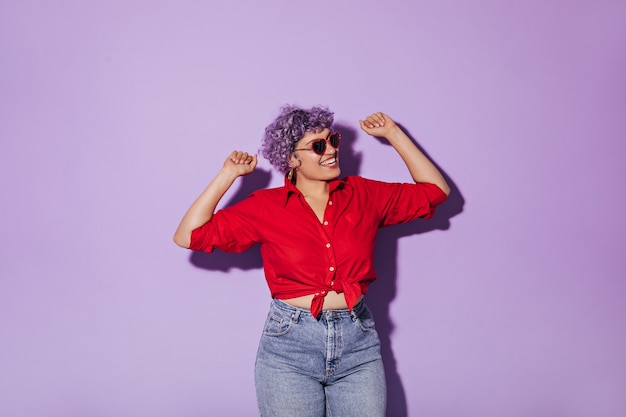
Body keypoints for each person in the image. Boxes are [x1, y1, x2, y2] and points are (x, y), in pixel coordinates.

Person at [173, 105, 450, 417]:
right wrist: (228, 175)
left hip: (357, 343)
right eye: (318, 146)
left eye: (333, 140)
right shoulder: (266, 207)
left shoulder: (363, 194)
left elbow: (435, 192)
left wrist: (393, 133)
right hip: (290, 347)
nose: (331, 150)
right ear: (292, 159)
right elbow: (188, 235)